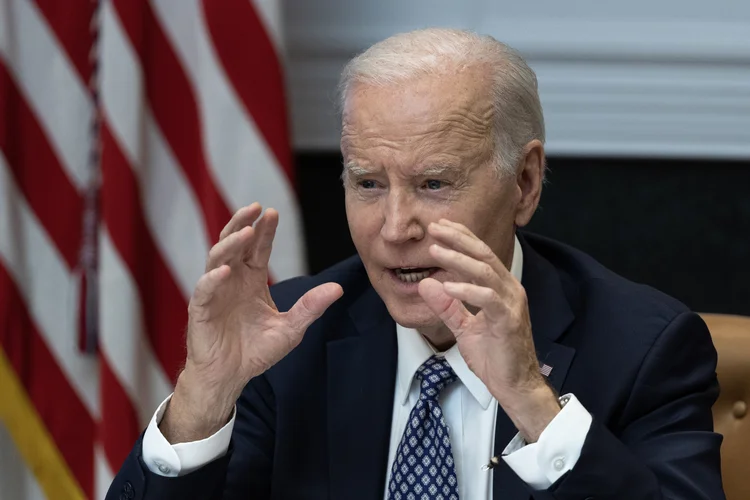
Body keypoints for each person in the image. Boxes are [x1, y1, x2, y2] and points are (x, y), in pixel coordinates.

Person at [107, 28, 724, 500]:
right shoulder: (289, 340)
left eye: (433, 183)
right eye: (369, 184)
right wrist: (203, 398)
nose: (395, 230)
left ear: (525, 184)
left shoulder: (642, 347)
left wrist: (532, 401)